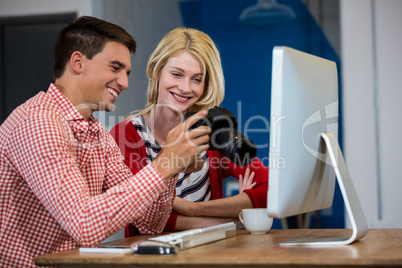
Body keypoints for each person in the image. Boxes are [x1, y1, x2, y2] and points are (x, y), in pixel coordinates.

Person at [0, 17, 211, 268]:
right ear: (78, 62)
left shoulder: (97, 133)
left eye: (126, 72)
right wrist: (164, 165)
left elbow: (149, 223)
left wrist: (171, 166)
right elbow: (84, 225)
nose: (125, 82)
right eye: (115, 68)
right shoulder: (38, 123)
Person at [110, 27, 268, 235]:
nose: (185, 88)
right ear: (157, 71)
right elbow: (147, 218)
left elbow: (270, 192)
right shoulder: (126, 135)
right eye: (177, 74)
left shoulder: (211, 132)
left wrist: (192, 209)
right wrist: (236, 215)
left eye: (197, 79)